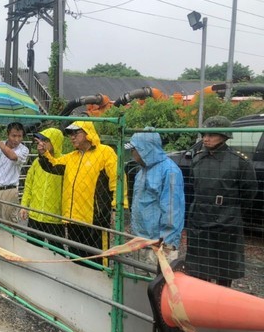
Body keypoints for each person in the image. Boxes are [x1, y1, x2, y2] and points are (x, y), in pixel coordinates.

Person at [185, 115, 257, 287]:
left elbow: (249, 192)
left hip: (226, 224)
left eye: (211, 135)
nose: (206, 138)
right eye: (204, 134)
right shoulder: (197, 160)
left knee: (224, 274)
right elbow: (193, 187)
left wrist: (230, 212)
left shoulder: (239, 162)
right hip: (200, 223)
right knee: (200, 273)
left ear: (224, 136)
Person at [37, 120, 124, 262]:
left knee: (97, 259)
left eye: (76, 133)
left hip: (94, 220)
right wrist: (43, 153)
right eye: (70, 134)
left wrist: (118, 207)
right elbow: (52, 165)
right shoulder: (72, 157)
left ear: (88, 133)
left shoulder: (105, 153)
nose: (72, 137)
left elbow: (118, 180)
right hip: (72, 219)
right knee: (76, 259)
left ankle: (99, 283)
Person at [126, 130, 185, 265]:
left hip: (159, 245)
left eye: (134, 149)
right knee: (140, 281)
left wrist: (167, 243)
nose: (132, 153)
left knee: (157, 283)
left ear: (144, 149)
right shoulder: (141, 171)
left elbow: (172, 211)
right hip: (140, 240)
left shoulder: (169, 171)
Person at [20, 128, 66, 249]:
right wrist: (24, 205)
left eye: (45, 140)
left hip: (55, 217)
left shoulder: (63, 162)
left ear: (54, 142)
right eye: (40, 140)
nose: (41, 143)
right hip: (35, 214)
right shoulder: (37, 162)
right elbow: (29, 184)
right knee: (32, 248)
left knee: (57, 250)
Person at [0, 122, 29, 223]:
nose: (17, 139)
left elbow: (12, 156)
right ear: (8, 134)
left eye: (20, 136)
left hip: (9, 191)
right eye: (14, 136)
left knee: (8, 223)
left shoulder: (23, 150)